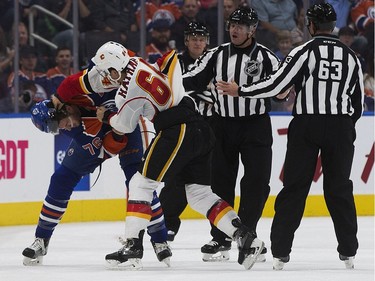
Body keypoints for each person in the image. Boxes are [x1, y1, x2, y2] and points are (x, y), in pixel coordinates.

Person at [91, 41, 264, 270]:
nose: (106, 78)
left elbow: (123, 126)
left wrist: (107, 116)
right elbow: (170, 58)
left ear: (115, 68)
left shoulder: (127, 91)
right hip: (200, 126)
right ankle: (246, 237)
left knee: (140, 183)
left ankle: (133, 245)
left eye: (106, 72)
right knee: (199, 194)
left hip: (176, 129)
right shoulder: (139, 62)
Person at [216, 3, 363, 270]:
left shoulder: (303, 51)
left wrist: (242, 90)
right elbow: (358, 102)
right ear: (332, 26)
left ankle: (281, 252)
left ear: (311, 25)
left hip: (307, 125)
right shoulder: (351, 55)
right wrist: (343, 125)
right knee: (340, 188)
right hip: (341, 126)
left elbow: (277, 84)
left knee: (295, 188)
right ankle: (348, 251)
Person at [22, 89, 172, 266]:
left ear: (64, 109)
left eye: (57, 124)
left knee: (138, 184)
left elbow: (103, 83)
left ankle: (160, 240)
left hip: (129, 128)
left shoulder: (82, 94)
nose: (61, 130)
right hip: (106, 138)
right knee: (61, 179)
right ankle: (41, 239)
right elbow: (107, 149)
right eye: (54, 130)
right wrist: (114, 135)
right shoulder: (73, 130)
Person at [182, 7, 280, 262]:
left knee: (256, 182)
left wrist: (245, 90)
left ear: (253, 30)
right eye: (232, 25)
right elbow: (190, 79)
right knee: (220, 182)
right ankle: (222, 236)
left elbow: (280, 89)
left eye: (241, 26)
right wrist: (163, 84)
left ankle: (248, 234)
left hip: (256, 126)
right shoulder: (215, 54)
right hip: (222, 125)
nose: (234, 29)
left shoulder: (267, 57)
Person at [159, 22, 213, 241]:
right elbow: (169, 90)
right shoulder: (175, 63)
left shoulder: (213, 60)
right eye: (193, 38)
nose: (197, 42)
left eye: (201, 38)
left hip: (210, 127)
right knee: (175, 176)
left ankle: (219, 234)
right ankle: (166, 223)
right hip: (181, 127)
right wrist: (201, 89)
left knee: (213, 179)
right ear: (186, 41)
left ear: (206, 41)